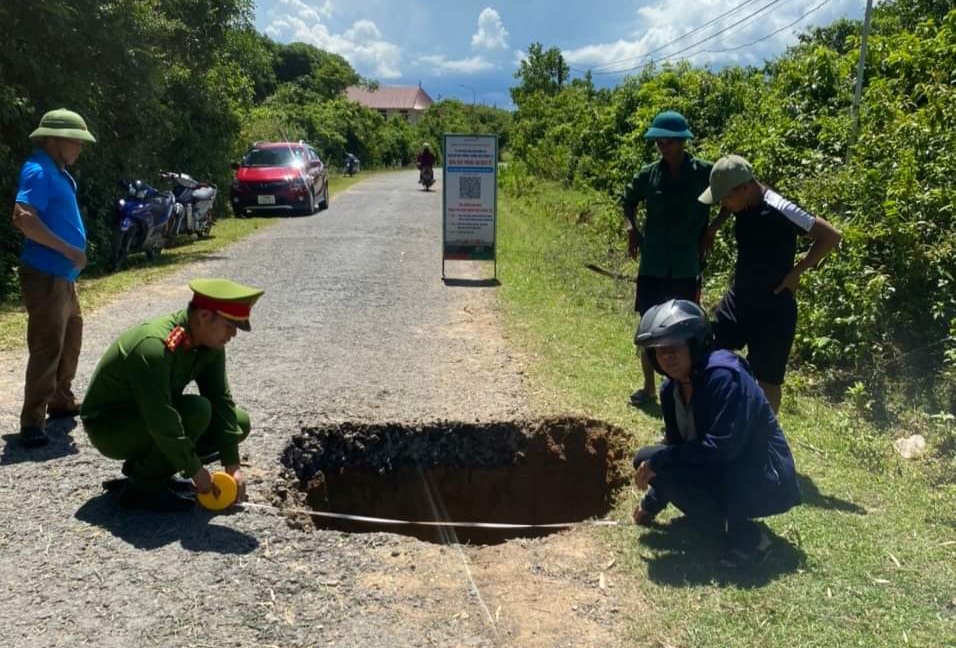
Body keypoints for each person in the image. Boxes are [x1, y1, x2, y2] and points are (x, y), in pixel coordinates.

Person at [630, 299, 801, 567]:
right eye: (660, 350)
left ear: (695, 344)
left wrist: (661, 463)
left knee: (660, 459)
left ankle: (751, 537)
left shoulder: (724, 377)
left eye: (675, 346)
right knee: (647, 457)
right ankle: (712, 521)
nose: (667, 356)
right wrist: (652, 502)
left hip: (763, 478)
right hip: (726, 469)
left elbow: (721, 449)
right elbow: (677, 447)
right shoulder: (670, 389)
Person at [80, 279, 264, 512]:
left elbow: (220, 399)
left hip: (147, 418)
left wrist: (232, 465)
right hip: (111, 428)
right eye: (230, 326)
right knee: (197, 411)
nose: (234, 335)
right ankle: (142, 488)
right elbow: (161, 418)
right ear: (205, 316)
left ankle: (152, 470)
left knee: (238, 422)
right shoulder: (154, 346)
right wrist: (196, 471)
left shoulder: (209, 343)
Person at [699, 155, 841, 413]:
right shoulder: (741, 203)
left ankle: (764, 439)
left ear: (744, 188)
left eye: (725, 198)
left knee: (767, 381)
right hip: (739, 299)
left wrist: (796, 272)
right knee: (706, 348)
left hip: (774, 307)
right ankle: (707, 416)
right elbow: (728, 209)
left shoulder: (780, 208)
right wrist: (713, 227)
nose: (723, 204)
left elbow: (830, 236)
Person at [620, 111, 717, 408]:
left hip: (687, 265)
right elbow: (628, 201)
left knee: (686, 330)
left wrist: (711, 230)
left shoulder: (705, 173)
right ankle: (649, 389)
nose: (662, 144)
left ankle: (686, 392)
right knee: (649, 327)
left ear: (682, 142)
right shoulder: (648, 174)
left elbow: (731, 197)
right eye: (658, 140)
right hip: (653, 265)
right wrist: (632, 228)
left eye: (668, 140)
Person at [11, 108, 96, 448]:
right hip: (46, 274)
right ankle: (32, 420)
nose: (79, 148)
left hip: (62, 276)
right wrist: (67, 249)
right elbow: (22, 217)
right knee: (47, 344)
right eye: (75, 141)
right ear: (54, 138)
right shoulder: (38, 169)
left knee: (70, 336)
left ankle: (61, 399)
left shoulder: (55, 170)